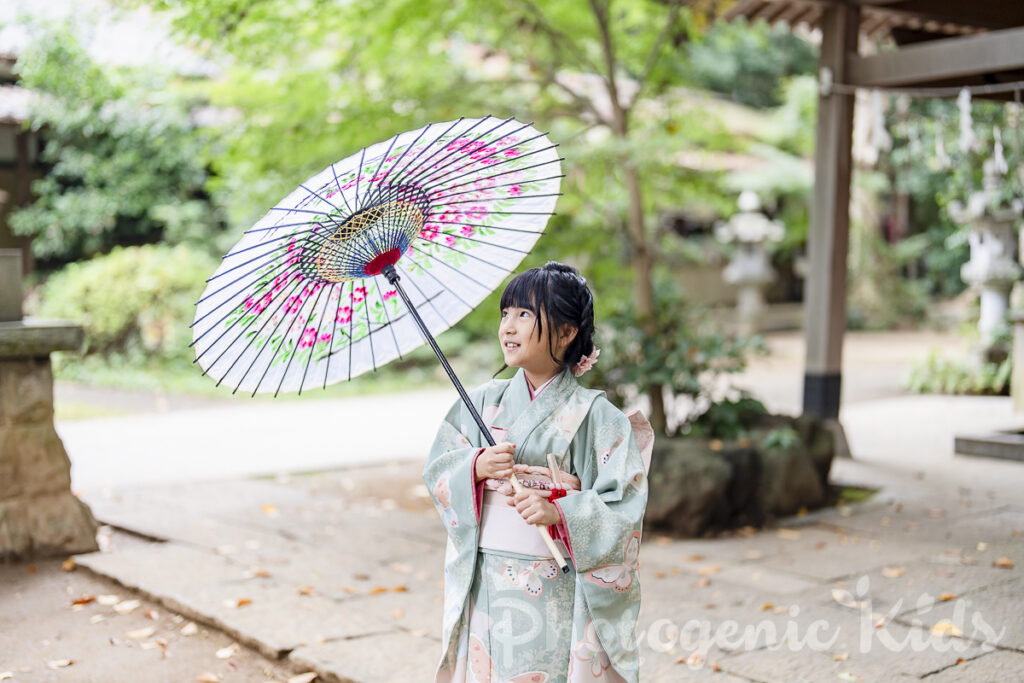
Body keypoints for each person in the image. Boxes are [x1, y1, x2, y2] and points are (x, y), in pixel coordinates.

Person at [423, 261, 654, 683]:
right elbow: (439, 468)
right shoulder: (481, 404)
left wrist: (561, 510)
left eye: (525, 314)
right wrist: (474, 466)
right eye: (505, 313)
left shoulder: (599, 418)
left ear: (566, 333)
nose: (508, 327)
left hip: (559, 582)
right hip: (489, 579)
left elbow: (624, 506)